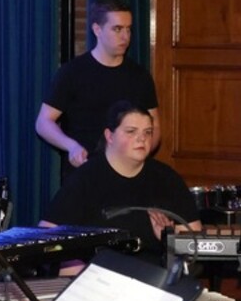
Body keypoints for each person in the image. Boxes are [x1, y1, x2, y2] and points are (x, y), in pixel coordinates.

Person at [40, 101, 200, 269]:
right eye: (131, 131)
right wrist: (78, 274)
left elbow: (194, 246)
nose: (142, 138)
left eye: (148, 132)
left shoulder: (167, 179)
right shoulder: (85, 179)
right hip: (99, 277)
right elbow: (48, 239)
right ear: (109, 136)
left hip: (155, 277)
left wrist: (168, 241)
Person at [36, 0, 160, 181]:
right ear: (97, 30)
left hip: (129, 175)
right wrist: (71, 146)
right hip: (84, 173)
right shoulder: (73, 72)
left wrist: (142, 151)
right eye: (117, 29)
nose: (125, 36)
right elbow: (44, 122)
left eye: (128, 29)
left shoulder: (140, 76)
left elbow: (154, 125)